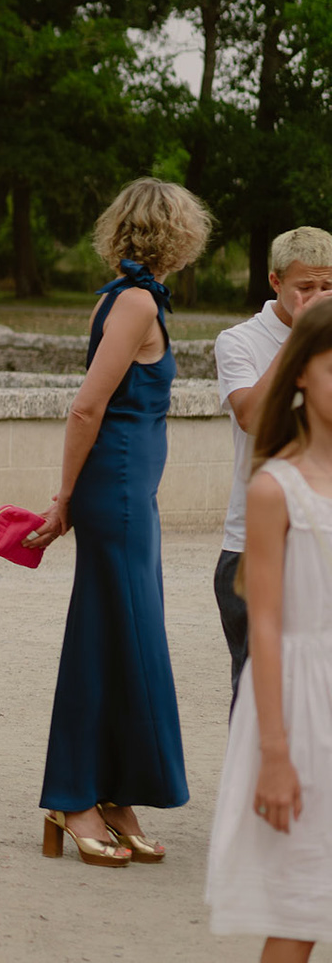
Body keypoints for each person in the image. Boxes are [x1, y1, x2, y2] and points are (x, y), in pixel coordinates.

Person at [26, 177, 211, 866]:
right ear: (180, 236)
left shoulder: (126, 297)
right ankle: (73, 798)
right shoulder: (134, 302)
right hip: (119, 497)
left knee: (119, 642)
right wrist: (65, 498)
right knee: (113, 642)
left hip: (132, 497)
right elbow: (86, 406)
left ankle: (111, 797)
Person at [206, 302, 332, 958]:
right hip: (305, 715)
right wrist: (276, 756)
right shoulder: (276, 489)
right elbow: (267, 624)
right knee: (301, 905)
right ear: (300, 372)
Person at [214, 229, 332, 702]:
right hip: (253, 543)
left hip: (323, 532)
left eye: (328, 287)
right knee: (257, 691)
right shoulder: (239, 341)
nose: (319, 297)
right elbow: (253, 419)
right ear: (275, 282)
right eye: (306, 288)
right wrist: (302, 339)